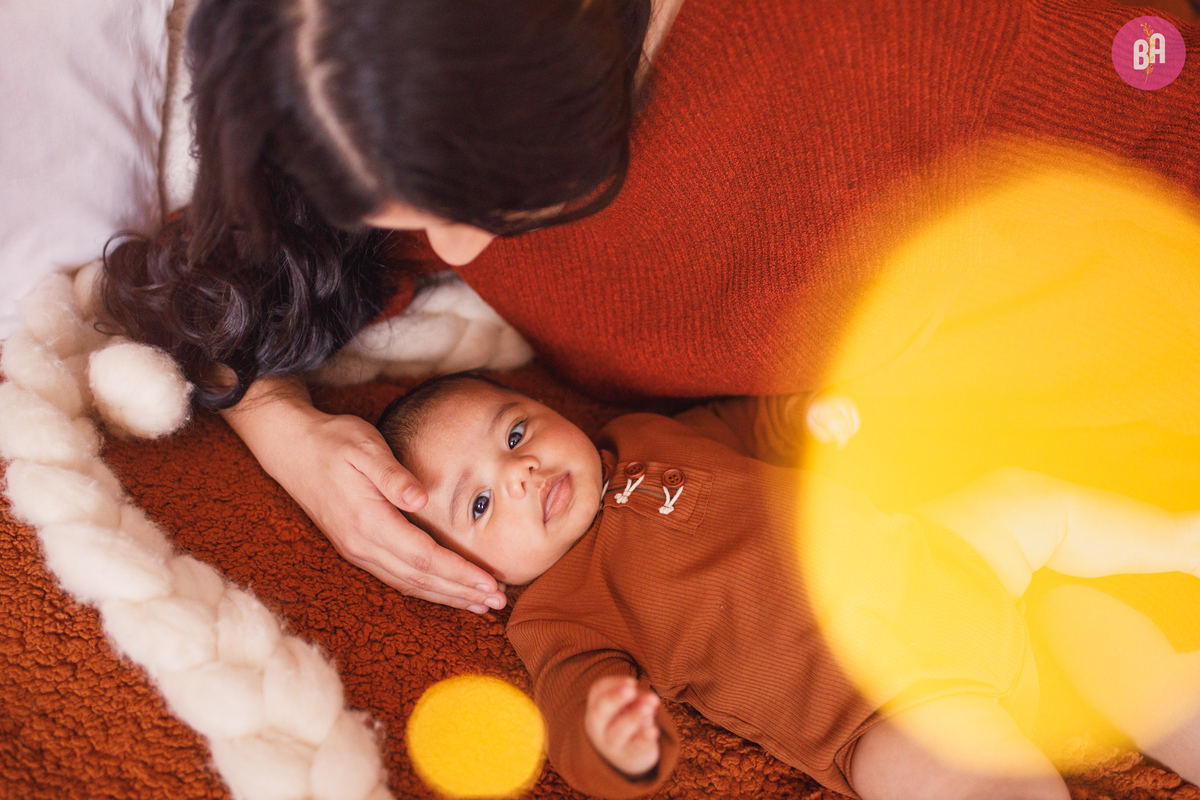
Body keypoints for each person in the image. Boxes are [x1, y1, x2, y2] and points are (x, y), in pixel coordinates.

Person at [97, 0, 1200, 612]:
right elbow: (227, 289)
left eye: (486, 202)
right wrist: (289, 433)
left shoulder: (979, 44)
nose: (449, 251)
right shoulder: (362, 68)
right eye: (401, 208)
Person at [374, 371, 1200, 799]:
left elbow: (747, 426)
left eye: (515, 430)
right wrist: (610, 738)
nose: (519, 472)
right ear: (468, 569)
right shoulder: (557, 611)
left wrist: (809, 419)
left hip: (937, 558)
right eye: (479, 502)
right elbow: (566, 707)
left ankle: (1178, 540)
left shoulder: (639, 434)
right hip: (881, 701)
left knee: (1031, 508)